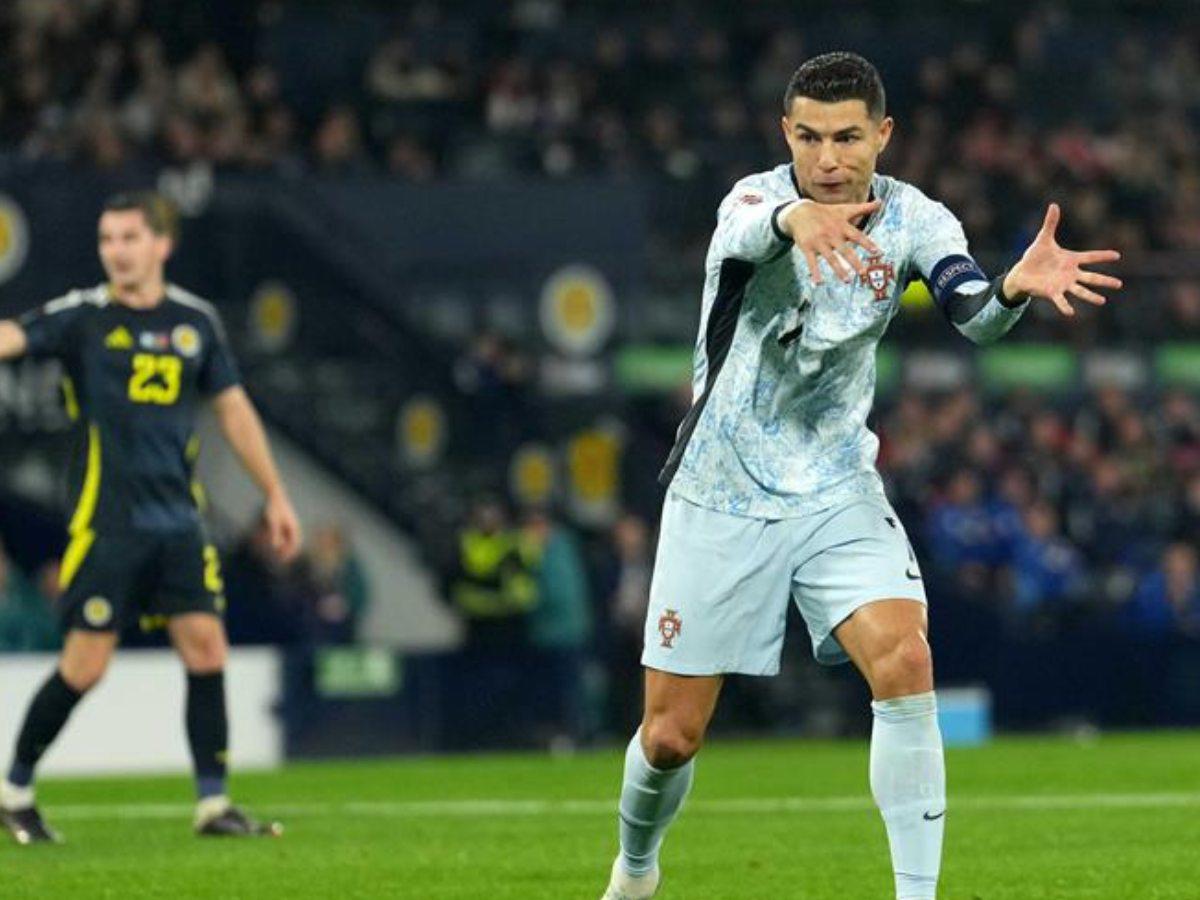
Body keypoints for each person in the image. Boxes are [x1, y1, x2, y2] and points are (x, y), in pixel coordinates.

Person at [600, 52, 1121, 900]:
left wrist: (1013, 291)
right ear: (786, 135)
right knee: (669, 738)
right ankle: (635, 866)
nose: (828, 159)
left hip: (837, 484)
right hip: (720, 489)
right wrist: (797, 221)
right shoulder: (752, 201)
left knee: (906, 660)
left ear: (883, 135)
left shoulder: (918, 220)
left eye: (847, 138)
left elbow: (971, 312)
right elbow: (758, 233)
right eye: (808, 137)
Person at [0, 191, 303, 844]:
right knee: (86, 666)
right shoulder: (84, 315)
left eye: (129, 238)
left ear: (163, 244)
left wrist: (275, 494)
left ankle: (213, 805)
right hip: (107, 524)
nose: (116, 251)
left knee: (206, 647)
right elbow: (13, 336)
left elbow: (233, 409)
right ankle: (14, 788)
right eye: (107, 239)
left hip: (179, 523)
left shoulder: (196, 323)